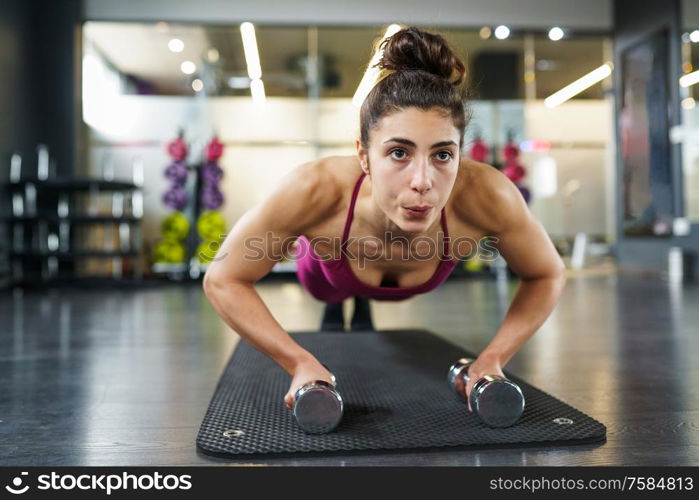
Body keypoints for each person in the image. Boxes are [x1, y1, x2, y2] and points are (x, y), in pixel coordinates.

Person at [203, 26, 566, 413]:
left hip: (405, 277)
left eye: (443, 155)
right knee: (331, 292)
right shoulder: (315, 188)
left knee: (358, 296)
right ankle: (347, 298)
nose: (423, 182)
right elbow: (223, 278)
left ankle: (361, 301)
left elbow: (547, 273)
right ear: (364, 156)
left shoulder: (487, 194)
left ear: (461, 152)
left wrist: (493, 358)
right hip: (330, 272)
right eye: (398, 153)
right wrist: (300, 361)